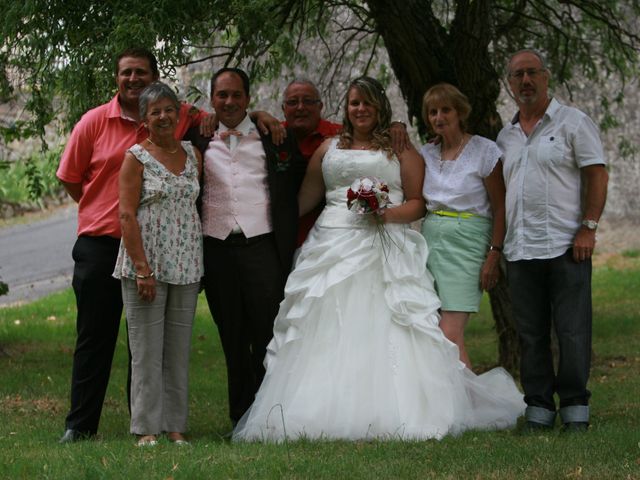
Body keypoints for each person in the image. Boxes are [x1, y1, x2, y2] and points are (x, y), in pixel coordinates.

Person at [233, 76, 525, 442]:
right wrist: (262, 225)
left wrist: (384, 214)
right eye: (355, 103)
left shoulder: (401, 149)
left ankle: (399, 409)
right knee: (327, 324)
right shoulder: (328, 148)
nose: (361, 109)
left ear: (380, 107)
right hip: (332, 242)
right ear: (347, 107)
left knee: (389, 323)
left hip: (385, 241)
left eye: (368, 103)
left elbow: (418, 201)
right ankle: (322, 409)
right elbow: (305, 199)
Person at [55, 47, 209, 443]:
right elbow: (71, 178)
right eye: (126, 72)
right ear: (117, 78)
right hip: (102, 242)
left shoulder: (169, 116)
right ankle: (80, 424)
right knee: (95, 336)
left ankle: (147, 424)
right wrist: (99, 209)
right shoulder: (93, 122)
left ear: (154, 77)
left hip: (162, 248)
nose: (133, 78)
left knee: (148, 342)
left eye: (142, 72)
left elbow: (223, 116)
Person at [497, 49, 608, 432]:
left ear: (546, 77)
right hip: (521, 250)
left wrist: (588, 227)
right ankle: (539, 409)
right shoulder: (505, 136)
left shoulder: (574, 123)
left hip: (566, 246)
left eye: (532, 73)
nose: (525, 81)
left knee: (573, 331)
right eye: (517, 76)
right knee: (530, 335)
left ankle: (576, 408)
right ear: (509, 84)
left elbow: (596, 175)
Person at [199, 68, 305, 427]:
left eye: (237, 95)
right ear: (211, 99)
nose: (229, 102)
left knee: (267, 333)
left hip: (262, 246)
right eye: (222, 95)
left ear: (248, 98)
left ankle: (269, 415)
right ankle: (239, 417)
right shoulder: (195, 137)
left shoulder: (273, 136)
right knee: (231, 335)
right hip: (215, 249)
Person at [112, 82, 202, 447]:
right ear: (144, 119)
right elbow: (126, 215)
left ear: (179, 113)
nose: (163, 116)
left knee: (177, 350)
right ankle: (146, 429)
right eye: (155, 112)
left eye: (169, 109)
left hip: (185, 262)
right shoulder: (136, 157)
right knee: (146, 350)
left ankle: (175, 426)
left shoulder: (194, 154)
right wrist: (142, 268)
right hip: (144, 264)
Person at [419, 83, 506, 368]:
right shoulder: (426, 154)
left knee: (450, 332)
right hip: (430, 240)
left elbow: (500, 206)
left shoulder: (484, 150)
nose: (438, 117)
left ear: (460, 112)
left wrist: (494, 253)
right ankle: (453, 406)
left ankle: (471, 408)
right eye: (432, 112)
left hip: (467, 242)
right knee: (431, 331)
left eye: (445, 110)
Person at [281, 79, 342, 245]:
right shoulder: (272, 135)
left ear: (320, 106)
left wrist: (397, 126)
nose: (300, 107)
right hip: (283, 234)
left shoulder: (340, 136)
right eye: (293, 102)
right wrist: (258, 115)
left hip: (331, 234)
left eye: (308, 101)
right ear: (283, 108)